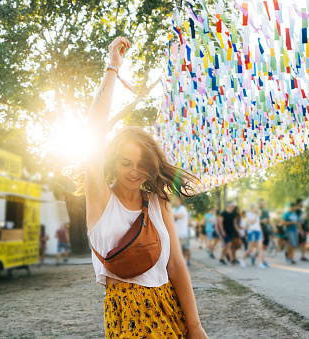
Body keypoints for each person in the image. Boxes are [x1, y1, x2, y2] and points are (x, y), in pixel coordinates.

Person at [68, 37, 207, 338]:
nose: (134, 171)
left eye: (142, 164)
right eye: (125, 162)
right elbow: (94, 130)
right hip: (127, 316)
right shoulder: (100, 198)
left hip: (169, 308)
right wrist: (112, 68)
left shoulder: (158, 201)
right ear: (112, 161)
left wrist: (195, 326)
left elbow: (176, 264)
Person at [239, 204, 267, 268]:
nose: (257, 209)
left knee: (260, 247)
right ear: (252, 208)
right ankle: (242, 260)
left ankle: (260, 263)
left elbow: (258, 224)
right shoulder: (248, 214)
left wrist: (261, 233)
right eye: (256, 208)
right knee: (250, 249)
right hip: (251, 232)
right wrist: (257, 215)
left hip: (258, 232)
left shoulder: (257, 215)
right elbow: (251, 222)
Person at [173, 196, 191, 266]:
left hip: (183, 233)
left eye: (176, 200)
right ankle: (181, 263)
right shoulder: (174, 209)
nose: (175, 202)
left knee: (185, 249)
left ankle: (185, 263)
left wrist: (169, 214)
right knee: (180, 250)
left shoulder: (182, 209)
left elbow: (181, 216)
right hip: (176, 234)